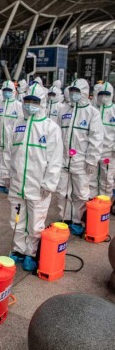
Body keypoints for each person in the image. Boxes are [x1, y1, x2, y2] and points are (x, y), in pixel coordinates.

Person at [3, 84, 63, 271]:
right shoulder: (18, 124)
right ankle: (18, 249)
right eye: (27, 101)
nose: (29, 105)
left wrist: (49, 183)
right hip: (17, 182)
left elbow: (55, 159)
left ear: (42, 102)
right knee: (16, 219)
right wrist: (6, 174)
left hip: (38, 185)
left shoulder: (50, 127)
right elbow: (8, 152)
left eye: (34, 101)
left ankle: (31, 251)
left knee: (36, 220)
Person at [56, 79, 103, 236]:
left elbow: (96, 138)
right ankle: (65, 218)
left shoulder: (92, 113)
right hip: (63, 160)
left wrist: (92, 159)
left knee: (81, 193)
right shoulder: (64, 110)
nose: (74, 94)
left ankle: (78, 220)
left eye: (77, 91)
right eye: (72, 91)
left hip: (81, 162)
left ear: (84, 92)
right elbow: (56, 135)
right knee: (62, 191)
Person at [0, 80, 23, 190]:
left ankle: (10, 184)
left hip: (12, 139)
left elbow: (21, 124)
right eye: (5, 90)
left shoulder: (18, 106)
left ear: (14, 91)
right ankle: (0, 182)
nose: (6, 93)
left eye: (9, 91)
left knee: (11, 160)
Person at [90, 82, 114, 198]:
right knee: (92, 179)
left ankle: (105, 205)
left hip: (108, 153)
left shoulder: (114, 111)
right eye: (101, 94)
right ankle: (93, 204)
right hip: (94, 152)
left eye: (106, 94)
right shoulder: (94, 111)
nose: (103, 97)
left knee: (107, 180)